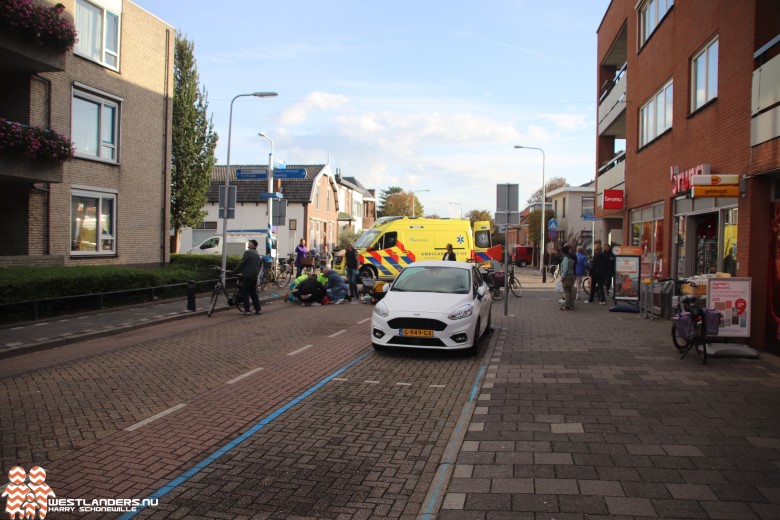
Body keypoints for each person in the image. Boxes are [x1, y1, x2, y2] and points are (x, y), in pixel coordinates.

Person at [234, 239, 262, 314]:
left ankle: (247, 310)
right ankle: (258, 309)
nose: (248, 244)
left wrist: (236, 270)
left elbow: (242, 262)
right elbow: (259, 264)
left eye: (250, 243)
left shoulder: (248, 252)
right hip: (254, 276)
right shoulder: (256, 253)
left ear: (253, 245)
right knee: (253, 293)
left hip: (247, 275)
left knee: (245, 292)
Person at [559, 244, 577, 310]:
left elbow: (565, 268)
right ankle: (572, 304)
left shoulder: (566, 258)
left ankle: (567, 305)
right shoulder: (572, 258)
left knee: (566, 291)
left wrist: (563, 277)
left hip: (567, 277)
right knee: (571, 290)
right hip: (572, 275)